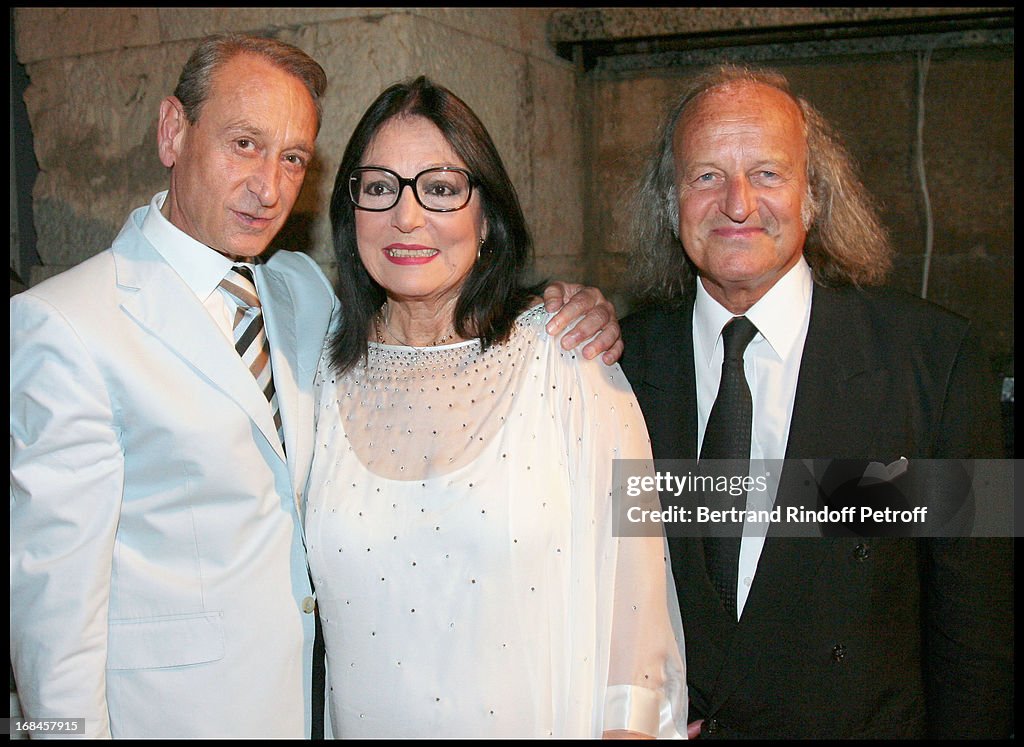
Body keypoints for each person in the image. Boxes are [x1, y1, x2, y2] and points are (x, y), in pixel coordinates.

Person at [9, 35, 622, 740]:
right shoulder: (67, 324)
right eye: (244, 143)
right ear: (173, 130)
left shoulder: (300, 293)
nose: (268, 186)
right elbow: (51, 626)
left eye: (293, 157)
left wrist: (563, 305)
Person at [619, 64, 1013, 739]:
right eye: (706, 174)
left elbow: (978, 634)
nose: (737, 203)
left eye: (768, 173)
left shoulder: (934, 361)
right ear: (670, 201)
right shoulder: (615, 368)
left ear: (814, 195)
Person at [304, 75, 688, 739]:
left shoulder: (568, 357)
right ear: (350, 212)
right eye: (378, 187)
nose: (407, 215)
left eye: (442, 188)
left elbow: (638, 611)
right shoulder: (317, 376)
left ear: (487, 216)